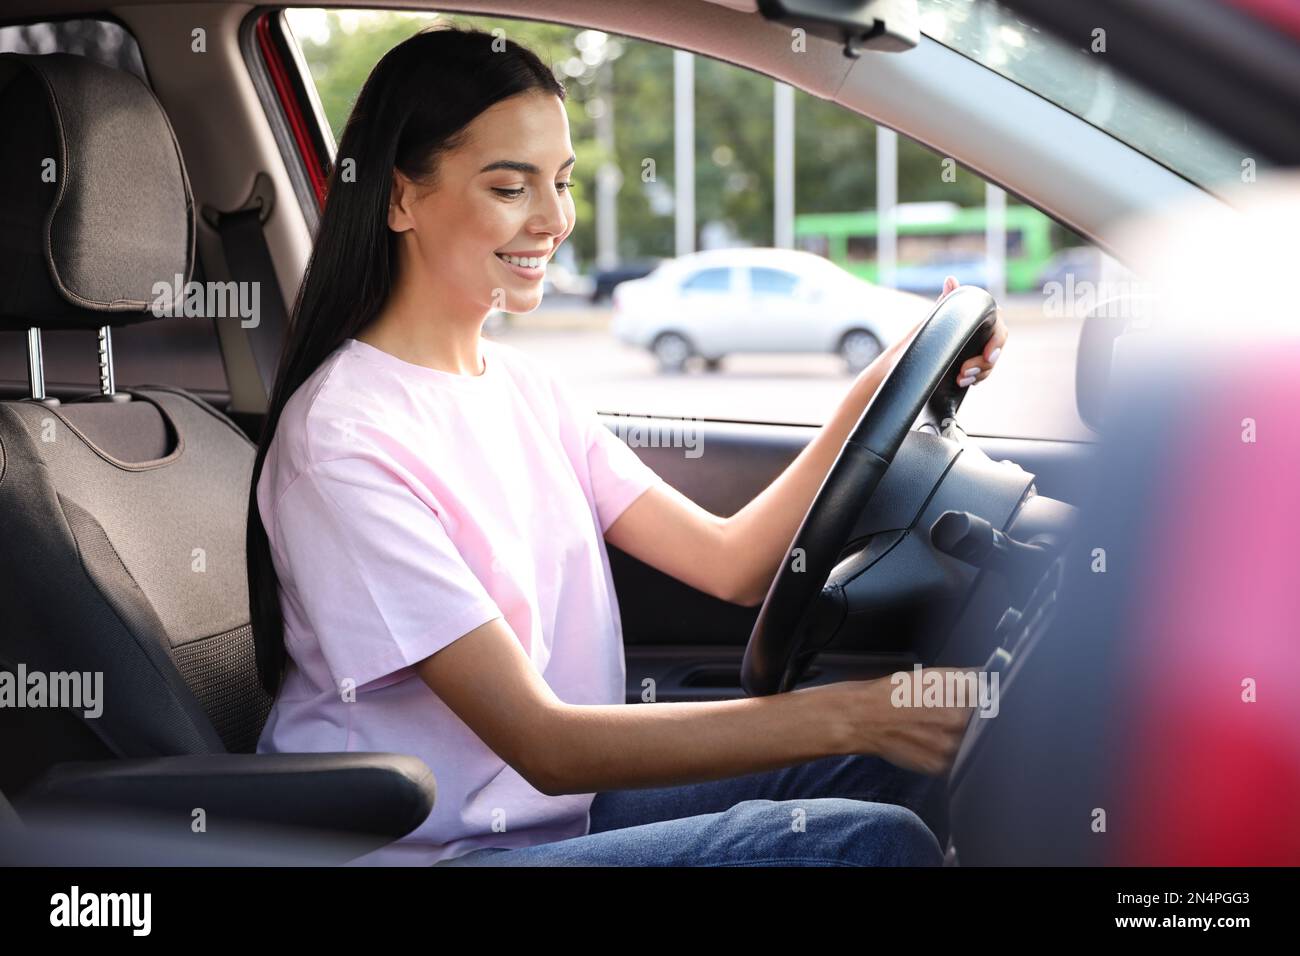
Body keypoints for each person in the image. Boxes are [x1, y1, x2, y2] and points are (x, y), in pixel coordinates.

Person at [246, 24, 1009, 867]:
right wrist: (851, 712)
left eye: (563, 182)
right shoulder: (344, 441)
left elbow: (730, 562)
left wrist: (886, 381)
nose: (554, 219)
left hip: (556, 820)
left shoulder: (523, 388)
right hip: (434, 852)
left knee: (889, 770)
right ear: (399, 200)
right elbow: (546, 744)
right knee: (868, 840)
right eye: (511, 187)